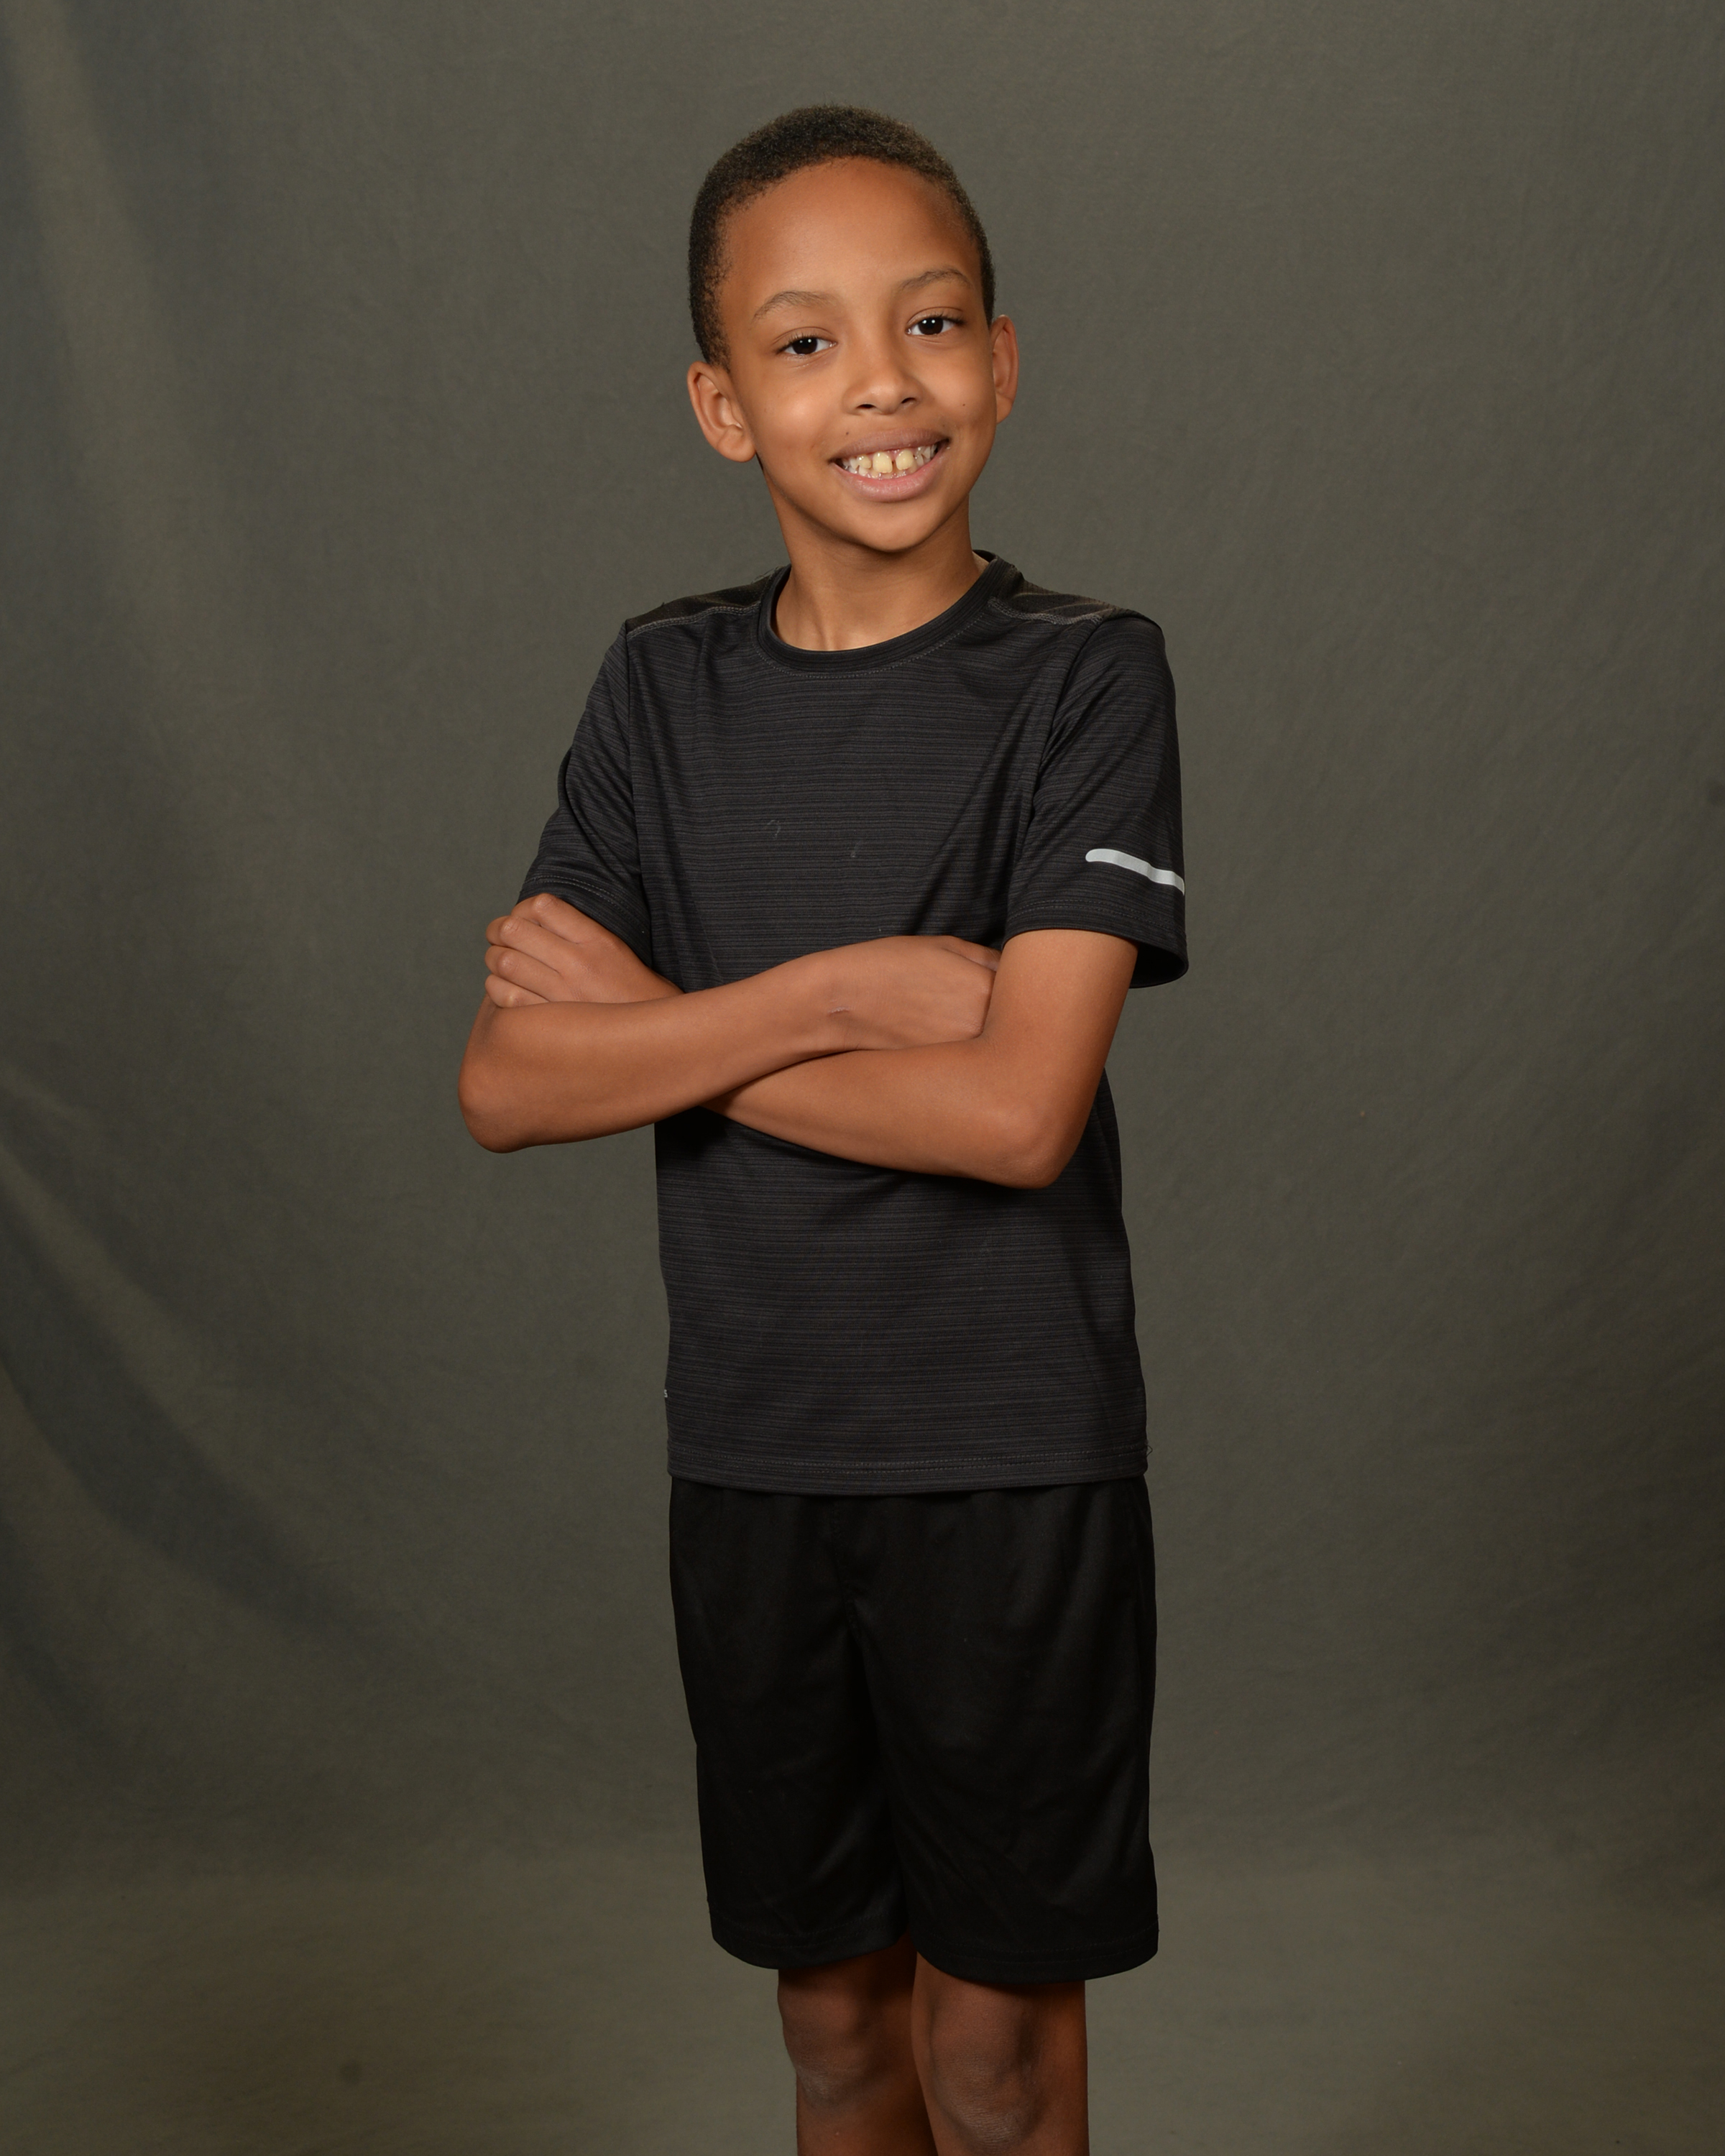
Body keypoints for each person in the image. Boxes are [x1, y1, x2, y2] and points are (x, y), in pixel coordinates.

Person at [459, 105, 1185, 2156]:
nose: (882, 383)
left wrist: (660, 1032)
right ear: (723, 405)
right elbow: (506, 1084)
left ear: (1003, 362)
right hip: (758, 1460)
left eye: (931, 323)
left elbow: (1019, 1113)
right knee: (840, 2036)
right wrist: (835, 993)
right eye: (806, 343)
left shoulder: (1086, 682)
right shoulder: (658, 690)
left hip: (1008, 1468)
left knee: (990, 2059)